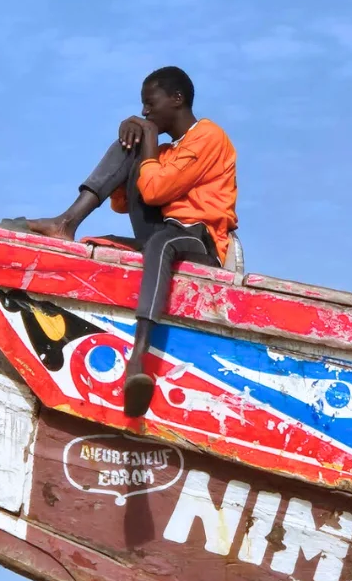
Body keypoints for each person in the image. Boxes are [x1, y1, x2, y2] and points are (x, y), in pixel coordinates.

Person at [23, 67, 237, 417]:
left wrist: (149, 138)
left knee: (162, 244)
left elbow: (155, 191)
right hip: (164, 231)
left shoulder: (209, 136)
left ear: (177, 99)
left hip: (200, 241)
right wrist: (137, 143)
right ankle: (66, 223)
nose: (146, 111)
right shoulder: (166, 151)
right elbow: (123, 203)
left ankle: (138, 360)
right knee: (99, 243)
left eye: (150, 103)